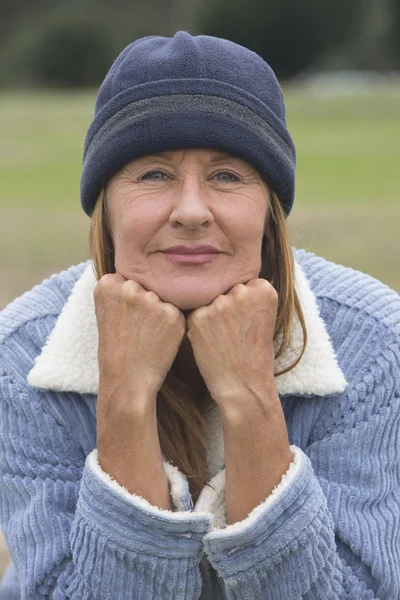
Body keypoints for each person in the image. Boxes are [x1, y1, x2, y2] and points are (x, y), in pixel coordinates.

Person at [0, 30, 399, 600]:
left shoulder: (375, 342)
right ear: (105, 208)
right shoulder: (20, 356)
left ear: (269, 212)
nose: (190, 211)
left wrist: (248, 396)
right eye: (154, 174)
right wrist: (125, 398)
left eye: (227, 176)